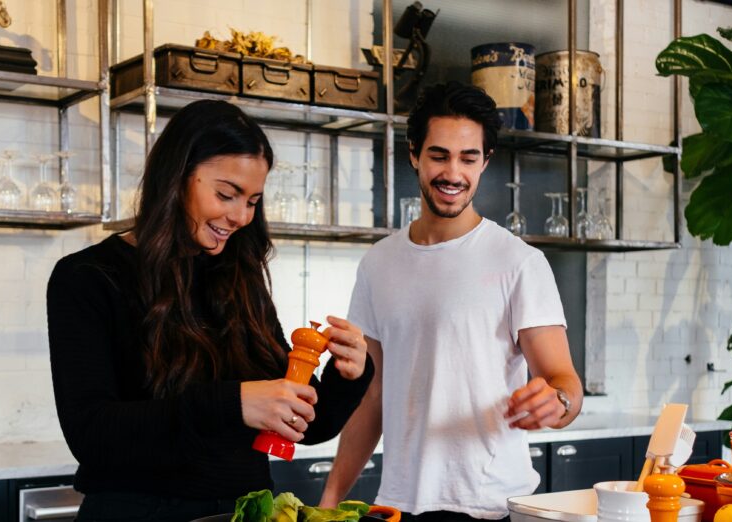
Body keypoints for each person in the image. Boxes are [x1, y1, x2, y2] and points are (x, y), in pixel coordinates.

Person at [46, 99, 374, 522]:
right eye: (226, 194)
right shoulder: (87, 277)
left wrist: (347, 376)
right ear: (176, 177)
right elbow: (92, 434)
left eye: (253, 200)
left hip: (245, 512)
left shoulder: (241, 276)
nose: (240, 216)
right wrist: (233, 403)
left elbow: (298, 427)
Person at [319, 82, 583, 521]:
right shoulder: (378, 263)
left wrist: (558, 404)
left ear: (485, 162)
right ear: (414, 155)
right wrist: (330, 499)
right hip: (399, 504)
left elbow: (564, 381)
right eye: (439, 155)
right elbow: (372, 394)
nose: (453, 173)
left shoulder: (519, 262)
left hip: (492, 506)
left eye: (468, 158)